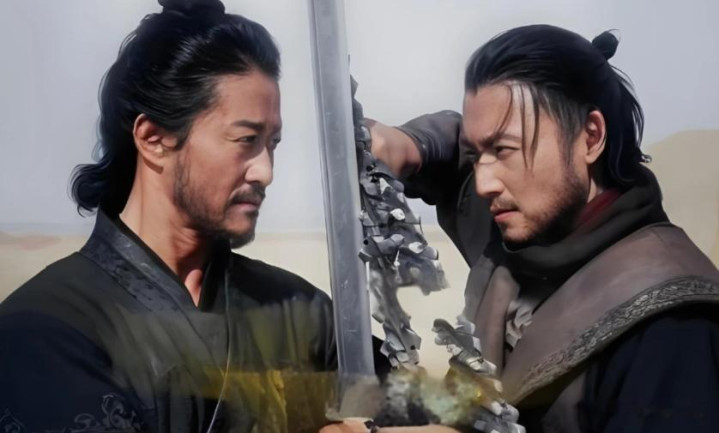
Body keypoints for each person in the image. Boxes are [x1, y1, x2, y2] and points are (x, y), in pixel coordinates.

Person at [0, 1, 338, 432]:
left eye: (272, 143)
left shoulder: (300, 311)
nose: (265, 172)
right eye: (246, 139)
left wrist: (418, 148)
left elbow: (410, 408)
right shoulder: (46, 328)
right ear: (154, 139)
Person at [367, 25, 719, 432]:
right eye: (479, 154)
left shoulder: (672, 331)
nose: (483, 183)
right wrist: (409, 145)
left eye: (503, 150)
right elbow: (456, 148)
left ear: (590, 137)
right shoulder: (526, 218)